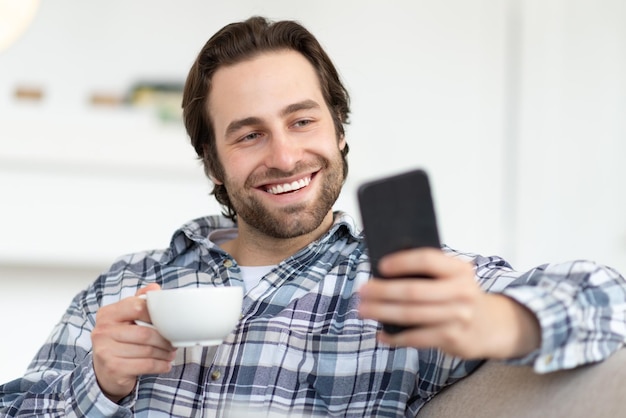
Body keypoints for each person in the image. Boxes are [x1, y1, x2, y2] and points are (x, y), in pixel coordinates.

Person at [1, 15, 625, 418]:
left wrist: (499, 321)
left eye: (302, 121)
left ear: (339, 133)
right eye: (248, 135)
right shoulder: (123, 291)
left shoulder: (407, 285)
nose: (284, 155)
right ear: (213, 165)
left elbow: (611, 301)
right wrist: (100, 384)